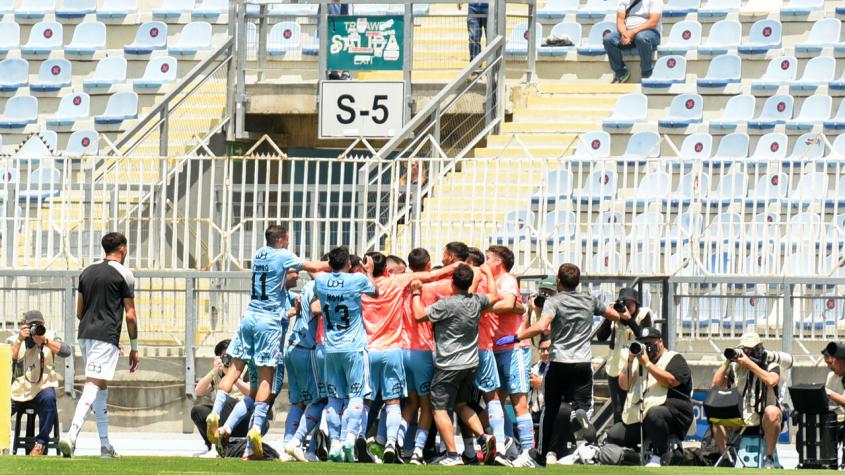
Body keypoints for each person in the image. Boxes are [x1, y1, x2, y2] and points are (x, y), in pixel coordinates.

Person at [206, 224, 328, 460]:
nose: (293, 273)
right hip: (267, 325)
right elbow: (312, 267)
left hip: (249, 318)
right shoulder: (282, 256)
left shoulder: (260, 253)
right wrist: (336, 265)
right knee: (266, 382)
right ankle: (254, 432)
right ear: (282, 239)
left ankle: (216, 414)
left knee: (233, 371)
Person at [496, 263, 626, 465]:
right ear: (578, 282)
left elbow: (542, 325)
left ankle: (539, 456)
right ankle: (581, 416)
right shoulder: (590, 300)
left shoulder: (554, 302)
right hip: (583, 362)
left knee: (550, 410)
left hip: (559, 361)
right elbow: (615, 316)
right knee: (584, 406)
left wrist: (516, 337)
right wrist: (622, 314)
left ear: (558, 281)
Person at [361, 252, 458, 463]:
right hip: (420, 351)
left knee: (401, 401)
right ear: (428, 264)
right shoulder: (410, 284)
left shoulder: (382, 286)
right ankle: (417, 451)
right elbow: (440, 278)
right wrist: (458, 267)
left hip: (395, 350)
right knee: (425, 404)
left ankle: (383, 440)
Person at [409, 263, 500, 466]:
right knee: (461, 404)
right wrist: (488, 274)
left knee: (439, 408)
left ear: (452, 282)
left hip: (448, 364)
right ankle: (483, 437)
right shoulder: (476, 300)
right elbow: (494, 295)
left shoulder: (446, 304)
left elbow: (418, 315)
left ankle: (452, 455)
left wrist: (416, 293)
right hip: (470, 364)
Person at [59, 232, 139, 458]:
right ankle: (72, 435)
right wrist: (134, 346)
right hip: (105, 336)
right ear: (123, 249)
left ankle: (105, 446)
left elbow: (79, 311)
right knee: (93, 384)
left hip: (85, 334)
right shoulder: (125, 274)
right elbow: (130, 315)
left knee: (101, 388)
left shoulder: (87, 271)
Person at [314, 246, 379, 462]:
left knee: (333, 398)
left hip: (331, 348)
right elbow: (375, 291)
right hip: (353, 347)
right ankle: (350, 438)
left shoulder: (321, 281)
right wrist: (368, 270)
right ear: (349, 264)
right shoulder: (357, 280)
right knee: (356, 395)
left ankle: (335, 443)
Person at [605, 327, 693, 467]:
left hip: (673, 414)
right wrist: (629, 360)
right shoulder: (636, 362)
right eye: (643, 344)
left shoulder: (674, 358)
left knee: (655, 414)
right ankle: (630, 456)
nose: (647, 347)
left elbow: (671, 381)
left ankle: (658, 456)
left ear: (661, 342)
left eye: (650, 343)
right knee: (613, 435)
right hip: (641, 415)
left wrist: (648, 364)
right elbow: (623, 385)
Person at [484, 245, 536, 467]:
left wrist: (481, 307)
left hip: (513, 347)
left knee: (519, 401)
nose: (484, 262)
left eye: (488, 258)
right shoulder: (491, 281)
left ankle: (529, 452)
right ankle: (503, 448)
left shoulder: (507, 279)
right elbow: (513, 306)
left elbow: (507, 303)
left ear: (498, 262)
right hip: (495, 347)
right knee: (495, 399)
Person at [710, 332, 783, 469]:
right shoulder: (735, 367)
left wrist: (749, 363)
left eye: (750, 350)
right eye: (745, 350)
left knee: (772, 412)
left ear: (758, 349)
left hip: (764, 418)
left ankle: (769, 458)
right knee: (715, 417)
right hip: (741, 417)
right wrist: (728, 360)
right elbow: (716, 384)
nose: (747, 353)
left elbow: (771, 380)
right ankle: (726, 458)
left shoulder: (771, 364)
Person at [284, 257, 329, 462]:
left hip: (293, 347)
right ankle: (302, 446)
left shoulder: (309, 285)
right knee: (320, 400)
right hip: (307, 349)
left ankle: (288, 446)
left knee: (299, 402)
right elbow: (316, 308)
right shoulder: (321, 286)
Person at [8, 310, 71, 456]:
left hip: (43, 387)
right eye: (32, 325)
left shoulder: (50, 336)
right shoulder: (14, 339)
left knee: (49, 398)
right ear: (24, 326)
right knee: (2, 409)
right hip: (20, 390)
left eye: (40, 324)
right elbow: (8, 358)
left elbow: (67, 351)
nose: (36, 328)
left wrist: (45, 341)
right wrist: (19, 339)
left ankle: (40, 444)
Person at [597, 288, 653, 424]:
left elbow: (645, 337)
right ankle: (618, 440)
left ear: (636, 304)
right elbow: (601, 337)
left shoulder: (643, 315)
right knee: (618, 407)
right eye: (623, 304)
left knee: (635, 405)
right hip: (615, 366)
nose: (625, 308)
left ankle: (634, 439)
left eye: (629, 305)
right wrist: (608, 316)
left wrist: (629, 320)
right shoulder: (615, 317)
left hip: (635, 367)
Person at [191, 339, 252, 457]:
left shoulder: (245, 369)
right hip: (222, 414)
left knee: (226, 401)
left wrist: (231, 376)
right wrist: (214, 371)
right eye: (223, 356)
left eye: (229, 356)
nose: (227, 359)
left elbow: (250, 392)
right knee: (197, 411)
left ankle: (218, 447)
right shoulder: (218, 372)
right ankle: (210, 444)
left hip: (243, 416)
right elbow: (198, 391)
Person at [603, 0, 663, 83]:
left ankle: (647, 73)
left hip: (650, 33)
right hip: (628, 33)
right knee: (608, 39)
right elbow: (620, 20)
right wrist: (624, 34)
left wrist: (633, 33)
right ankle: (621, 72)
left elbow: (653, 22)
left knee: (641, 38)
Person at [529, 336, 551, 425]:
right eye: (542, 350)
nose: (545, 353)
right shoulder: (534, 368)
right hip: (536, 413)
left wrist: (542, 383)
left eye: (548, 349)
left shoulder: (563, 368)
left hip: (556, 412)